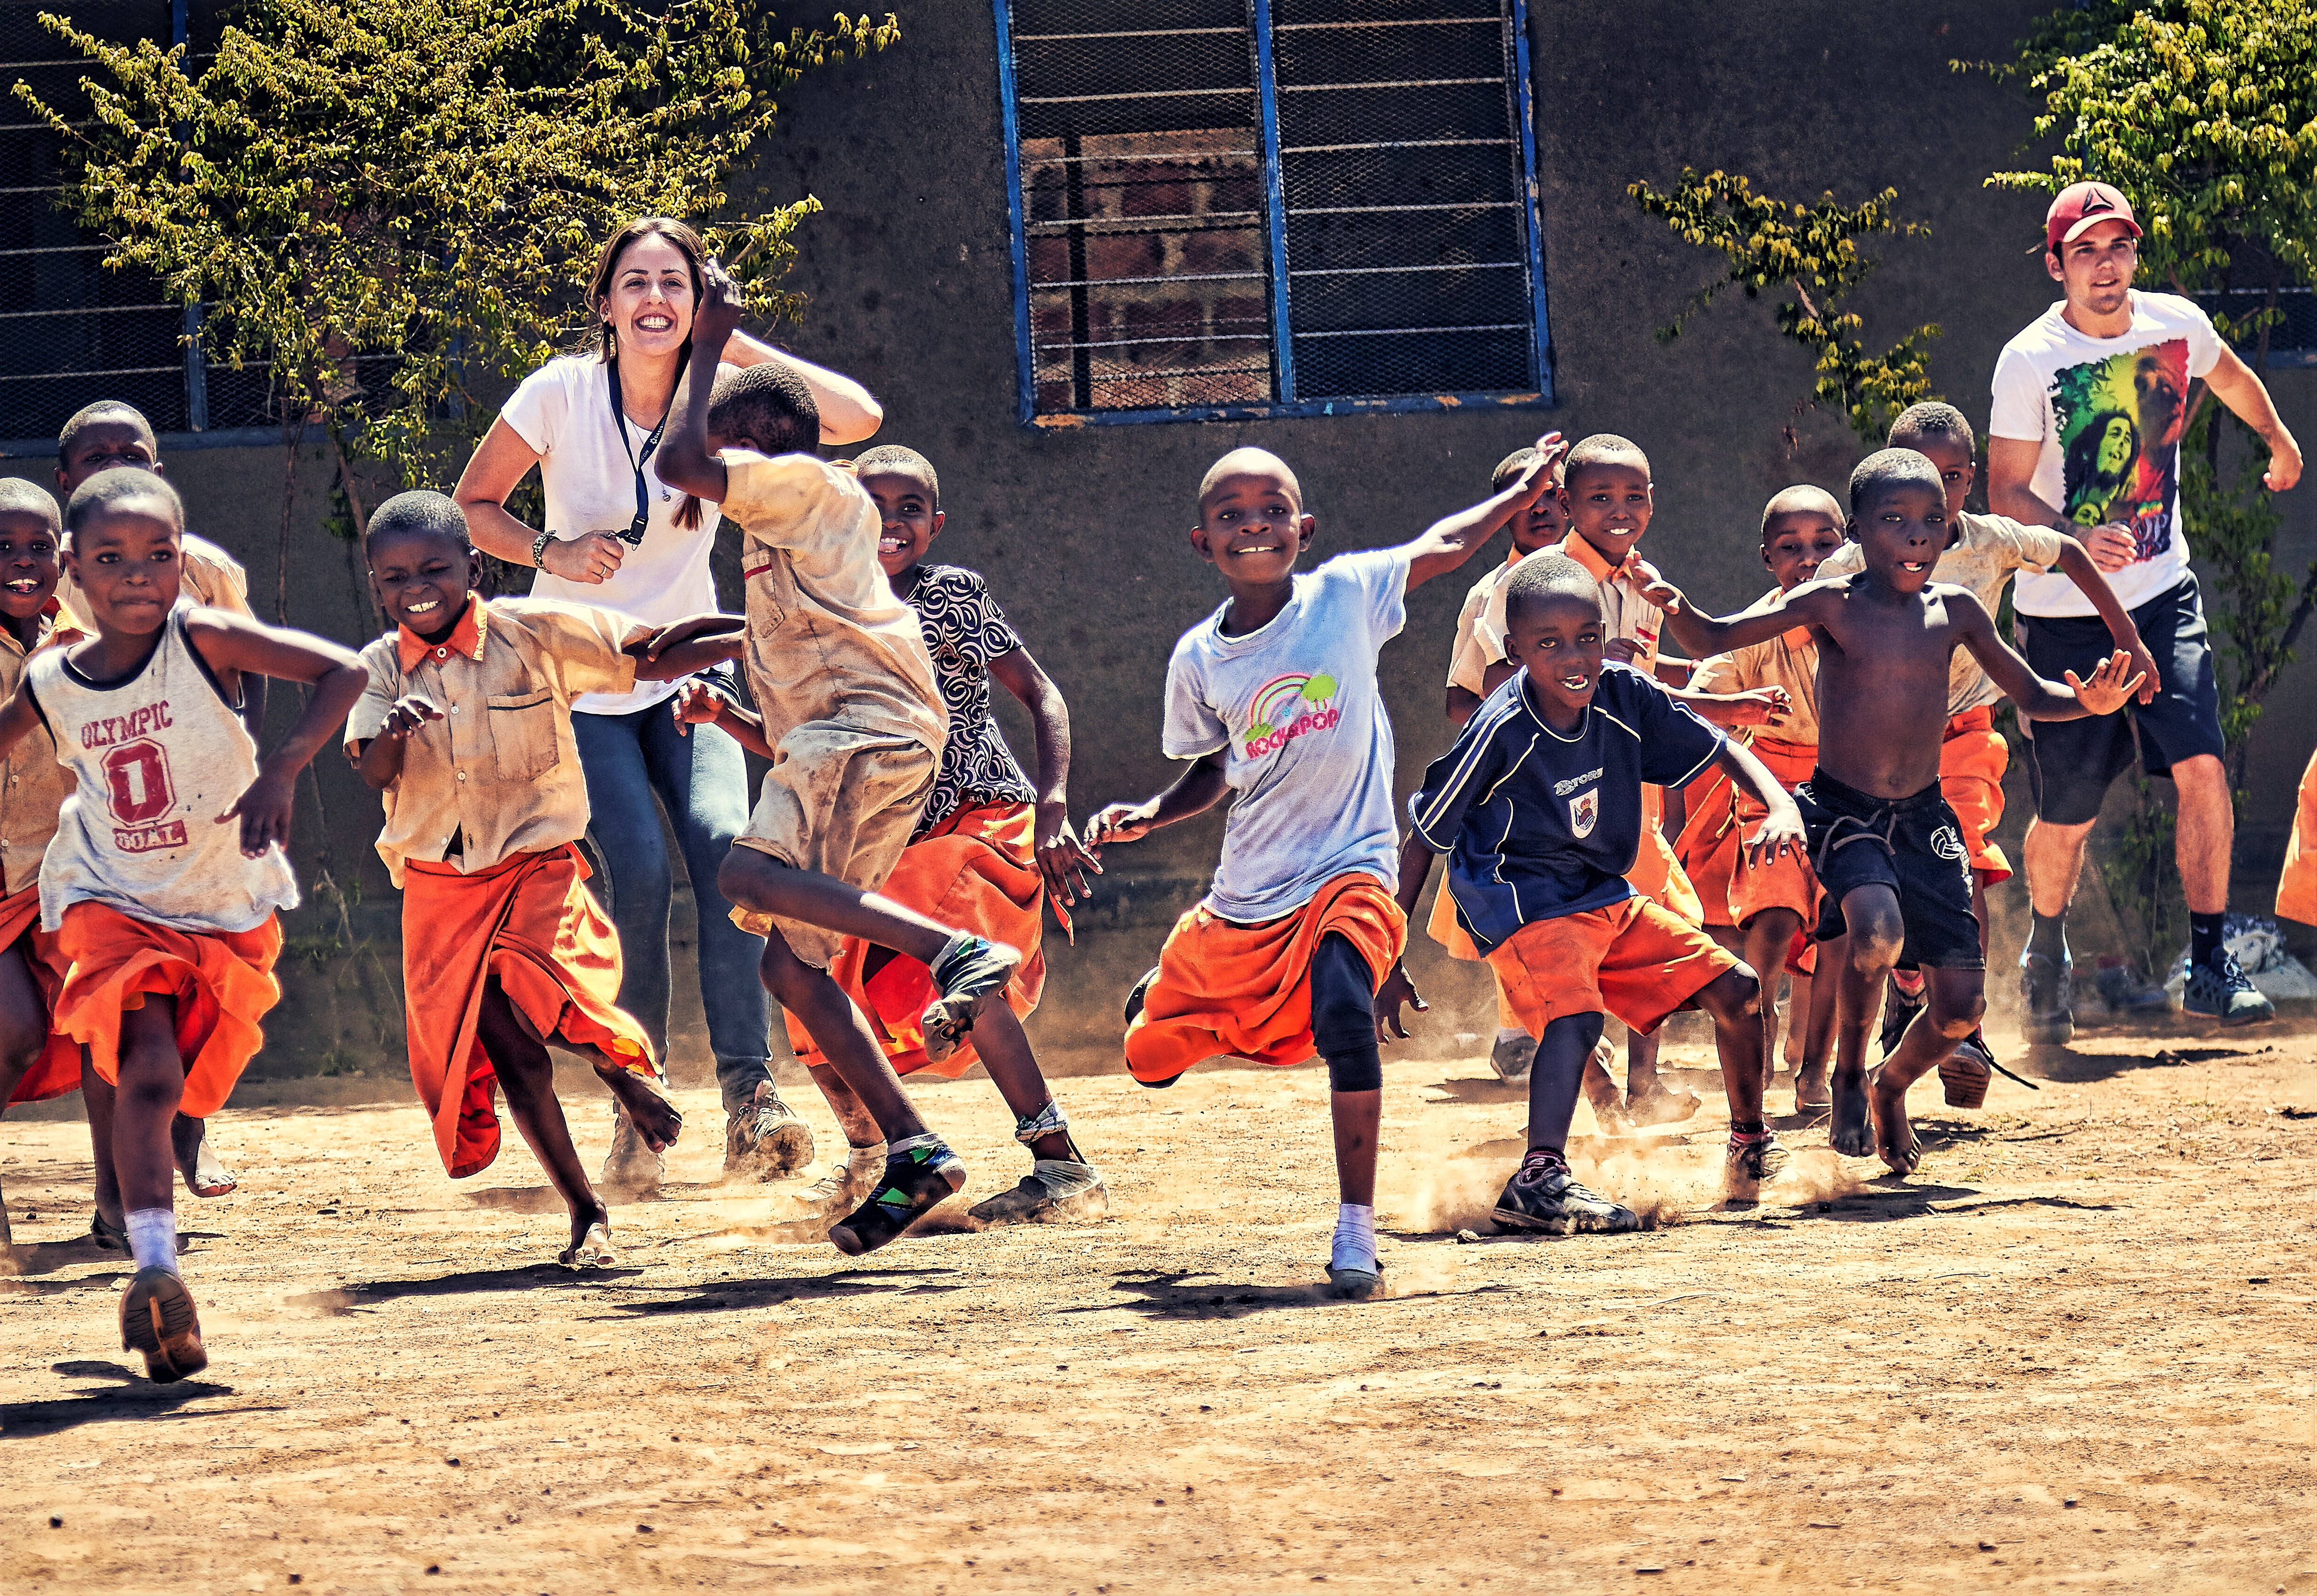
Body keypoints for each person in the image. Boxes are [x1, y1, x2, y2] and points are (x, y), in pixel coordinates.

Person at [453, 217, 886, 1189]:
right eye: (636, 283)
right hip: (580, 680)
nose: (655, 299)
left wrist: (728, 338)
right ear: (604, 303)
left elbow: (857, 416)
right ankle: (635, 1100)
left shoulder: (718, 393)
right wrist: (549, 553)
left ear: (699, 301)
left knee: (729, 854)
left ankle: (750, 1099)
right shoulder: (561, 390)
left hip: (689, 672)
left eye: (676, 285)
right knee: (637, 875)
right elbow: (475, 503)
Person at [1085, 437, 1562, 1299]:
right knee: (1148, 1058)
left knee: (1344, 1012)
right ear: (1203, 543)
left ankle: (1354, 1230)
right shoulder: (1199, 658)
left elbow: (1441, 547)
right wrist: (1151, 812)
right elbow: (1212, 768)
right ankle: (1176, 989)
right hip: (1249, 893)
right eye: (1231, 516)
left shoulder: (1345, 594)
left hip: (1354, 867)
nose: (1254, 526)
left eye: (1273, 511)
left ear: (1303, 529)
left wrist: (1514, 497)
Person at [653, 261, 1031, 1258]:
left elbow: (680, 465)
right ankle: (915, 1153)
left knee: (742, 868)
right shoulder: (799, 520)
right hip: (860, 733)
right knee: (790, 962)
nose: (719, 472)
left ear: (762, 447)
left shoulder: (805, 484)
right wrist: (714, 638)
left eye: (732, 448)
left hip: (865, 730)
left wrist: (705, 347)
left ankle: (953, 952)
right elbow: (805, 633)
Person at [1647, 449, 2145, 1174]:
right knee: (1874, 931)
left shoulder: (1959, 612)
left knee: (1959, 1012)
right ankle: (1847, 1073)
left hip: (1924, 816)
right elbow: (1714, 637)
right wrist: (1676, 608)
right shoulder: (1831, 602)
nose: (1917, 537)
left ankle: (1890, 1085)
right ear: (1857, 533)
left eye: (1931, 523)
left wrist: (2088, 701)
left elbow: (2034, 694)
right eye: (1896, 521)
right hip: (1844, 808)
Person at [670, 441, 1105, 1226]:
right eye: (876, 507)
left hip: (976, 817)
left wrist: (1056, 805)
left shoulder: (951, 597)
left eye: (911, 509)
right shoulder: (811, 608)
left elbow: (1041, 694)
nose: (892, 523)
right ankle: (876, 1155)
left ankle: (1061, 1164)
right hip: (880, 834)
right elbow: (809, 749)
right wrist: (723, 715)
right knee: (801, 972)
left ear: (936, 526)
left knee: (954, 964)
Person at [0, 468, 367, 1379]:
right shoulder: (54, 678)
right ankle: (155, 1269)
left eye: (159, 556)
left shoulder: (202, 636)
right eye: (113, 559)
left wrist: (282, 769)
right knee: (146, 1068)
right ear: (76, 575)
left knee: (191, 1074)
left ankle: (144, 1237)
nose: (137, 575)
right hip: (107, 899)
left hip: (211, 901)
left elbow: (343, 669)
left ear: (182, 562)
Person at [348, 492, 741, 1267]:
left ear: (475, 565)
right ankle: (586, 1210)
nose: (416, 587)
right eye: (396, 577)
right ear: (377, 586)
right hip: (442, 889)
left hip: (535, 868)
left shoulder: (536, 634)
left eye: (435, 568)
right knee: (511, 1054)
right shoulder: (379, 668)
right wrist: (396, 732)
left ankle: (624, 1080)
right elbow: (368, 769)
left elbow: (654, 652)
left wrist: (758, 629)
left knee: (554, 990)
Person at [1389, 553, 1807, 1233]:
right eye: (1548, 644)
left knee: (1738, 988)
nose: (1574, 656)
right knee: (1577, 1018)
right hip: (1522, 904)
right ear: (1516, 649)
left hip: (1602, 896)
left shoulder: (1624, 694)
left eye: (1587, 635)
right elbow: (1425, 835)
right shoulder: (1501, 729)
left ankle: (1750, 1146)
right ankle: (1539, 1178)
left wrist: (1779, 804)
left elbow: (1721, 747)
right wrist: (1388, 952)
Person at [1986, 182, 2302, 1034]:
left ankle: (2207, 962)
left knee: (2202, 763)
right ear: (2057, 265)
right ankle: (2044, 948)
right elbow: (2005, 492)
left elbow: (2230, 376)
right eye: (2085, 251)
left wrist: (2277, 436)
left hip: (2165, 597)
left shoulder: (2176, 325)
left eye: (2118, 247)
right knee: (2068, 814)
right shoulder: (2029, 361)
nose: (2106, 265)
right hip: (2063, 614)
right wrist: (2077, 534)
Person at [1819, 400, 2168, 1053]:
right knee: (1887, 890)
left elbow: (2067, 549)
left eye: (1953, 477)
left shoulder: (1991, 541)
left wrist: (2130, 638)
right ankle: (1909, 990)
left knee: (1967, 865)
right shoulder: (1848, 566)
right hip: (1877, 753)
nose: (1939, 493)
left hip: (1963, 734)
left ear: (1972, 478)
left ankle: (1967, 1031)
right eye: (1922, 474)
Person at [1470, 433, 1789, 1122]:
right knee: (1578, 954)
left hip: (1626, 796)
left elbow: (1646, 680)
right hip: (1554, 803)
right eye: (1601, 498)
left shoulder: (1643, 581)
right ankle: (1604, 1097)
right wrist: (1574, 665)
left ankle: (1639, 1088)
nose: (1620, 511)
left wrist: (1722, 705)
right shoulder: (1540, 582)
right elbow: (1490, 680)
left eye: (1634, 497)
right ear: (1566, 503)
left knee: (1662, 925)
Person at [56, 398, 257, 1202]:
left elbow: (242, 682)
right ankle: (119, 1185)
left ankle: (188, 1138)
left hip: (195, 816)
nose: (116, 466)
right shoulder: (39, 578)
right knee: (111, 992)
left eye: (132, 453)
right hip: (85, 824)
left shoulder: (203, 569)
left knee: (202, 986)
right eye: (97, 458)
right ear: (64, 479)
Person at [1676, 486, 1846, 1112]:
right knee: (1773, 922)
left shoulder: (1868, 616)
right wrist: (1736, 710)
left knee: (1837, 931)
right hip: (1769, 790)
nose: (1808, 559)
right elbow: (1701, 697)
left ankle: (1816, 1068)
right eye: (1790, 548)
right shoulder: (1752, 630)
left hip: (1847, 791)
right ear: (1767, 558)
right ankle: (1761, 1029)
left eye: (1824, 545)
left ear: (1848, 543)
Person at [1434, 443, 1576, 1085]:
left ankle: (1590, 1035)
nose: (1542, 510)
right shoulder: (1493, 593)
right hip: (1520, 772)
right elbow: (1463, 695)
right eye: (1527, 498)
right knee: (1520, 895)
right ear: (1504, 512)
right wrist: (1497, 753)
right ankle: (1518, 1030)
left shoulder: (1606, 578)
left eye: (1554, 497)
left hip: (1595, 768)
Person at [0, 482, 86, 1124]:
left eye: (37, 547)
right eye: (3, 547)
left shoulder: (85, 644)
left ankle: (121, 1206)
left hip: (66, 877)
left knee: (107, 1022)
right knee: (18, 1032)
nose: (21, 561)